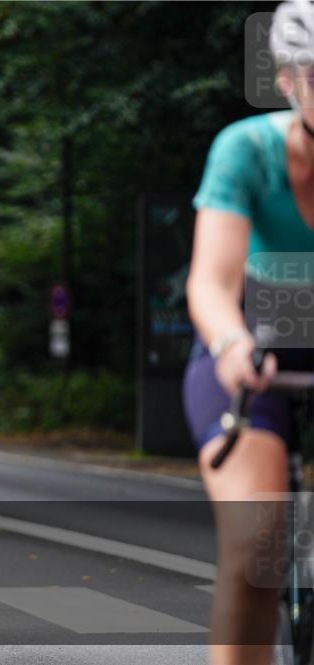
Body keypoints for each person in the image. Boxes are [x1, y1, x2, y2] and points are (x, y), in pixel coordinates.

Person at [183, 2, 314, 662]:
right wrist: (232, 343)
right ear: (290, 81)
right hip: (250, 349)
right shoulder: (247, 150)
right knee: (260, 540)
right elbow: (210, 281)